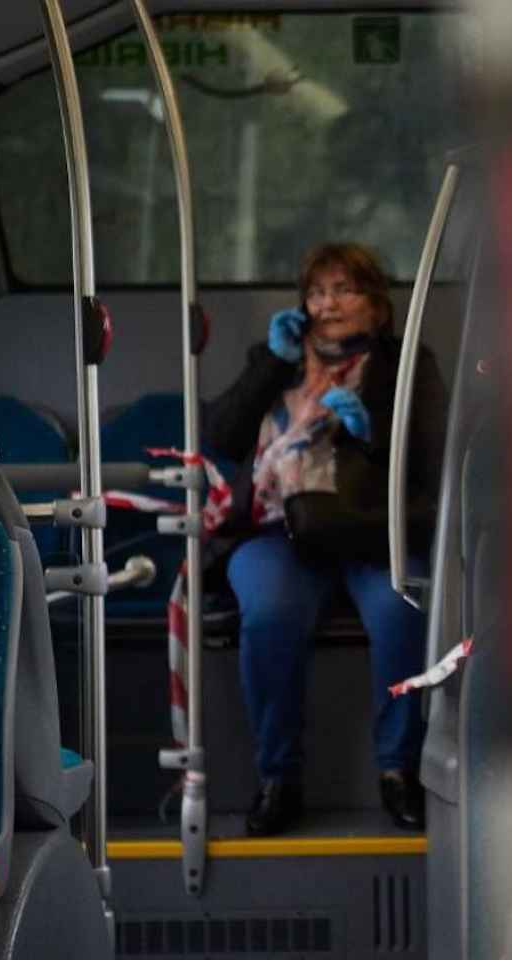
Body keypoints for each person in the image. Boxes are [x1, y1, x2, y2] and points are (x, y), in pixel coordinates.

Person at [205, 242, 448, 836]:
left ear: (378, 307)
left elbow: (427, 461)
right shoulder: (277, 358)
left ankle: (399, 771)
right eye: (317, 292)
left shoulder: (407, 362)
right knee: (268, 614)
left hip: (368, 528)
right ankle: (278, 778)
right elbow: (225, 438)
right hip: (277, 530)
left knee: (400, 608)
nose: (327, 303)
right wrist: (269, 366)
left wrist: (367, 437)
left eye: (344, 290)